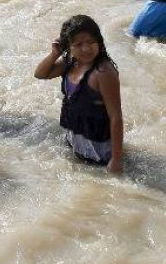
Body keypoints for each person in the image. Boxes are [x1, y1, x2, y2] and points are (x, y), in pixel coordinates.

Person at [32, 15, 125, 173]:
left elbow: (116, 116)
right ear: (68, 47)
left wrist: (116, 160)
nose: (86, 49)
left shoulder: (103, 72)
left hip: (100, 152)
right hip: (75, 141)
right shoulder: (70, 64)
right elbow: (40, 74)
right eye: (78, 44)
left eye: (91, 42)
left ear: (100, 42)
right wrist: (55, 54)